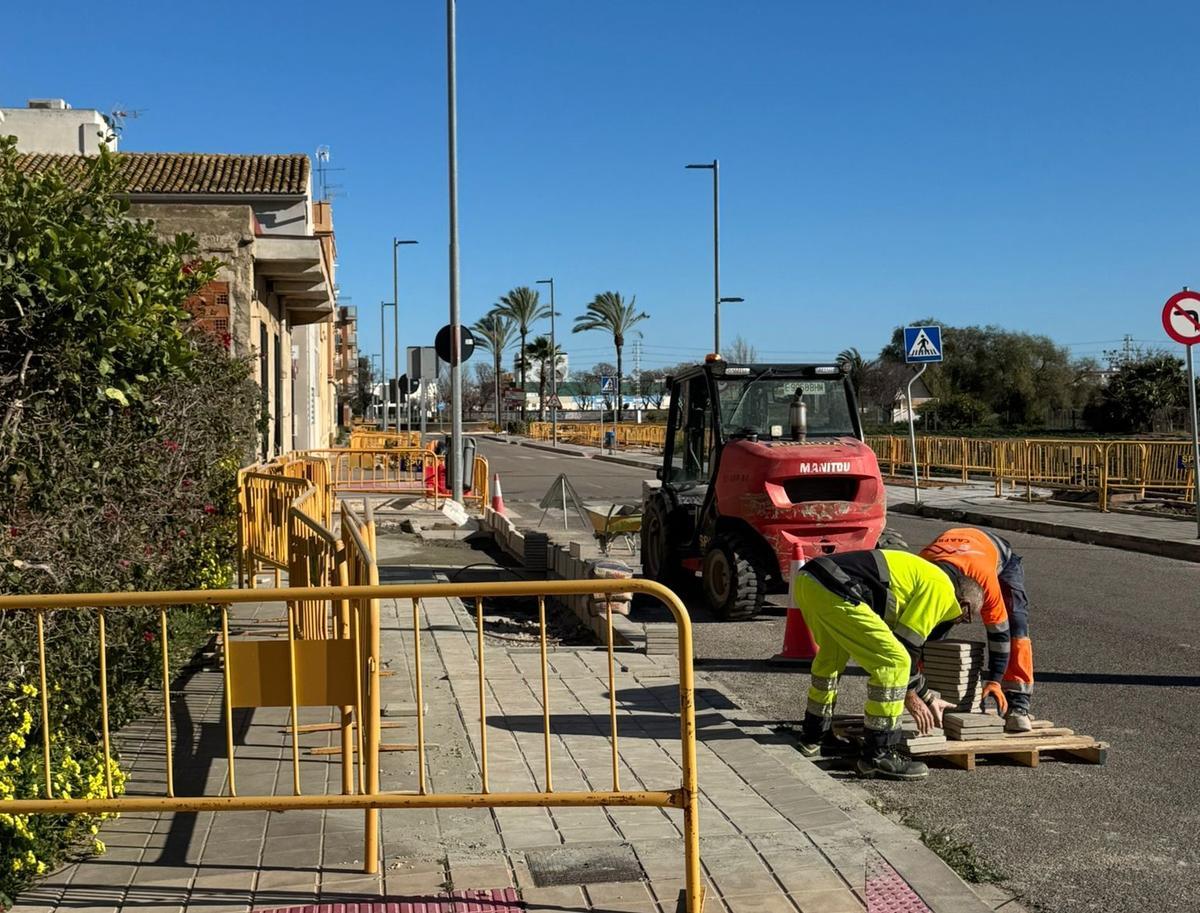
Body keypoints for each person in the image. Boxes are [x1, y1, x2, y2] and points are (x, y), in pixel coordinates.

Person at [792, 549, 983, 781]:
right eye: (966, 616)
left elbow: (908, 646)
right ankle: (878, 755)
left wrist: (929, 698)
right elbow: (907, 648)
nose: (961, 621)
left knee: (832, 656)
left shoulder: (929, 576)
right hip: (837, 587)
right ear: (963, 604)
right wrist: (910, 696)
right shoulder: (942, 591)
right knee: (895, 661)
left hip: (810, 580)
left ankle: (815, 737)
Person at [919, 527, 1034, 732]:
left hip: (998, 556)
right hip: (951, 560)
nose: (965, 622)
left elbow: (999, 632)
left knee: (1016, 624)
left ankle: (1018, 704)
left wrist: (995, 679)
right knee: (932, 625)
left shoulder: (985, 580)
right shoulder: (923, 572)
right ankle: (928, 692)